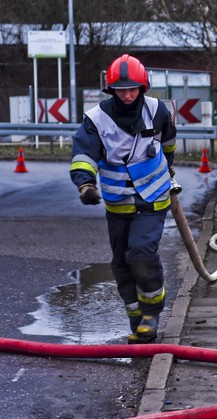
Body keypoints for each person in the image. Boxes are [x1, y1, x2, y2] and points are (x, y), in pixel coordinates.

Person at [70, 53, 178, 343]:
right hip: (118, 202)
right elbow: (83, 154)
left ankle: (152, 312)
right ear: (111, 90)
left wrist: (169, 165)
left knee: (140, 253)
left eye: (133, 88)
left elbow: (168, 139)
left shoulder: (156, 111)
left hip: (153, 197)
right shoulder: (96, 119)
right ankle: (135, 315)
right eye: (121, 89)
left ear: (143, 87)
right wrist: (85, 185)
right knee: (120, 263)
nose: (128, 94)